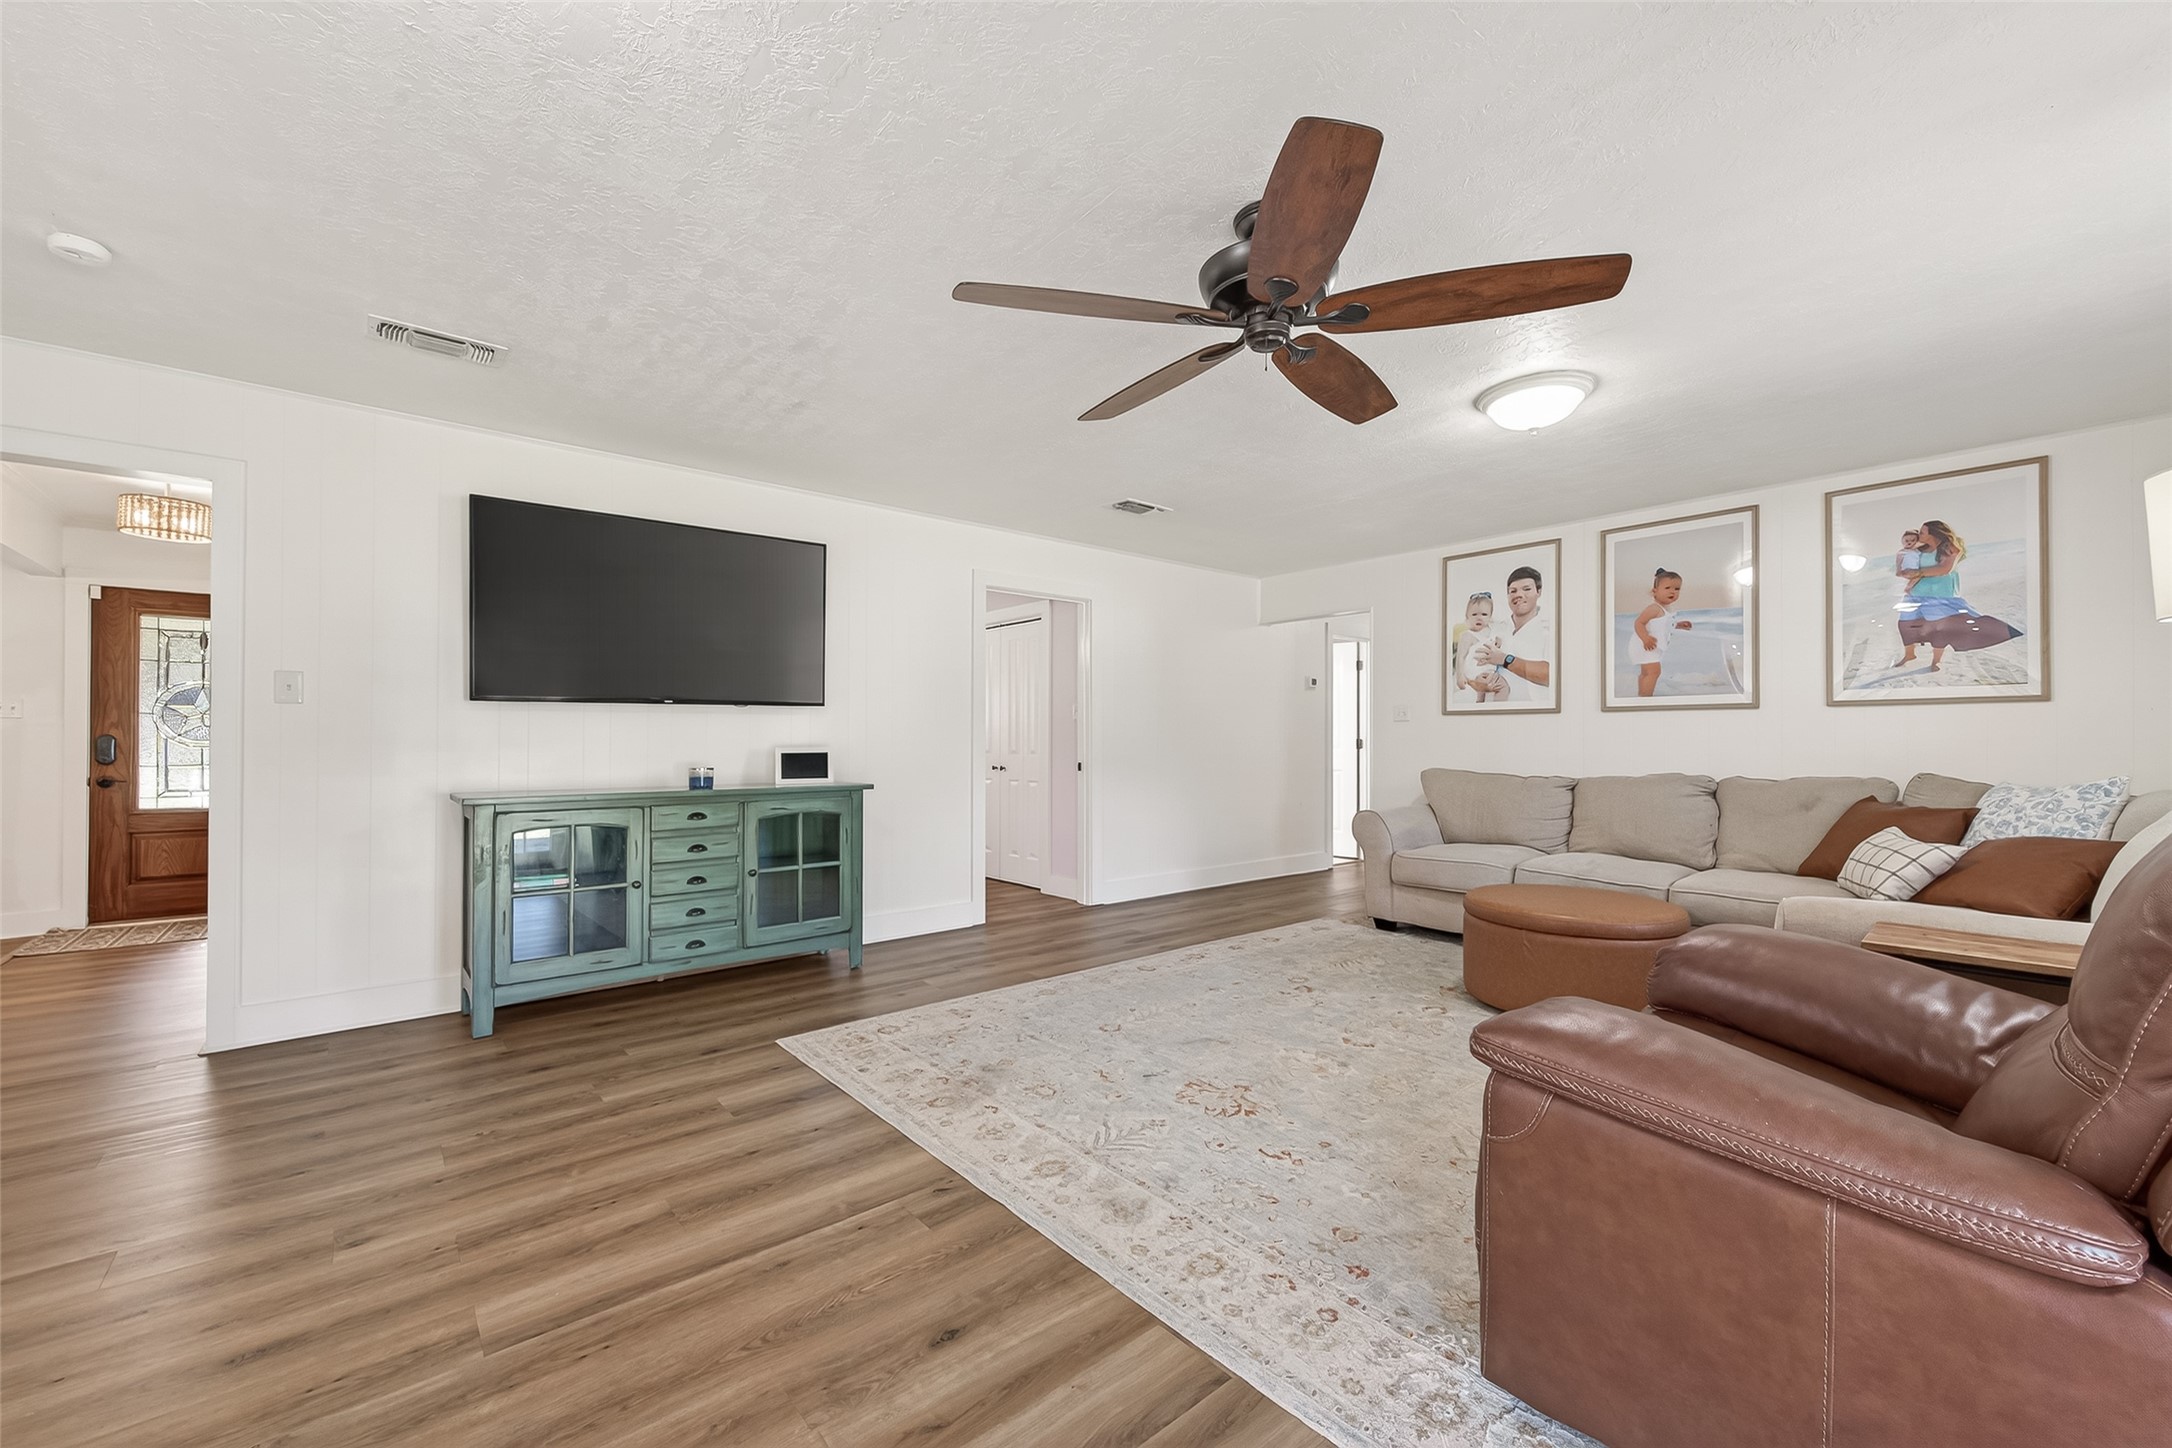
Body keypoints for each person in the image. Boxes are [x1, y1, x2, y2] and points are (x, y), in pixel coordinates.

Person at [1891, 518, 2021, 671]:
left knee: (1939, 629)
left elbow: (1945, 569)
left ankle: (1936, 661)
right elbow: (1904, 562)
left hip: (1940, 595)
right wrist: (1903, 572)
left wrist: (1918, 572)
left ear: (1933, 533)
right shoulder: (1919, 550)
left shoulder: (1950, 548)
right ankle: (1909, 654)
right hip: (1915, 594)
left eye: (1922, 532)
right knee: (1906, 624)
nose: (1919, 534)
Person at [1471, 565, 1552, 705]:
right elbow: (1472, 665)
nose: (1518, 595)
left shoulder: (1550, 630)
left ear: (1539, 592)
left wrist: (1505, 660)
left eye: (1526, 589)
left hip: (1533, 714)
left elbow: (1550, 675)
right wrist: (1477, 682)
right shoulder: (1496, 628)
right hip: (1490, 713)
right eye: (1512, 591)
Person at [1631, 568, 1694, 697]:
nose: (1673, 591)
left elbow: (1662, 625)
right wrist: (1645, 638)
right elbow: (1639, 623)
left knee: (1647, 672)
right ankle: (1646, 697)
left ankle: (1642, 696)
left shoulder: (1665, 609)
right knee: (1654, 672)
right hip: (1646, 644)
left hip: (1650, 645)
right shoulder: (1654, 608)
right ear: (1655, 592)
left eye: (1677, 589)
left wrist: (1678, 625)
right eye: (1668, 588)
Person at [1453, 591, 1504, 703]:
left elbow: (1496, 648)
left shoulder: (1491, 633)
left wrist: (1498, 642)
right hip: (1473, 674)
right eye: (1474, 615)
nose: (1479, 618)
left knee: (1499, 689)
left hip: (1489, 672)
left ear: (1490, 616)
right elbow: (1460, 657)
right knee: (1478, 694)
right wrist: (1460, 676)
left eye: (1484, 615)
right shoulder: (1468, 635)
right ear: (1467, 616)